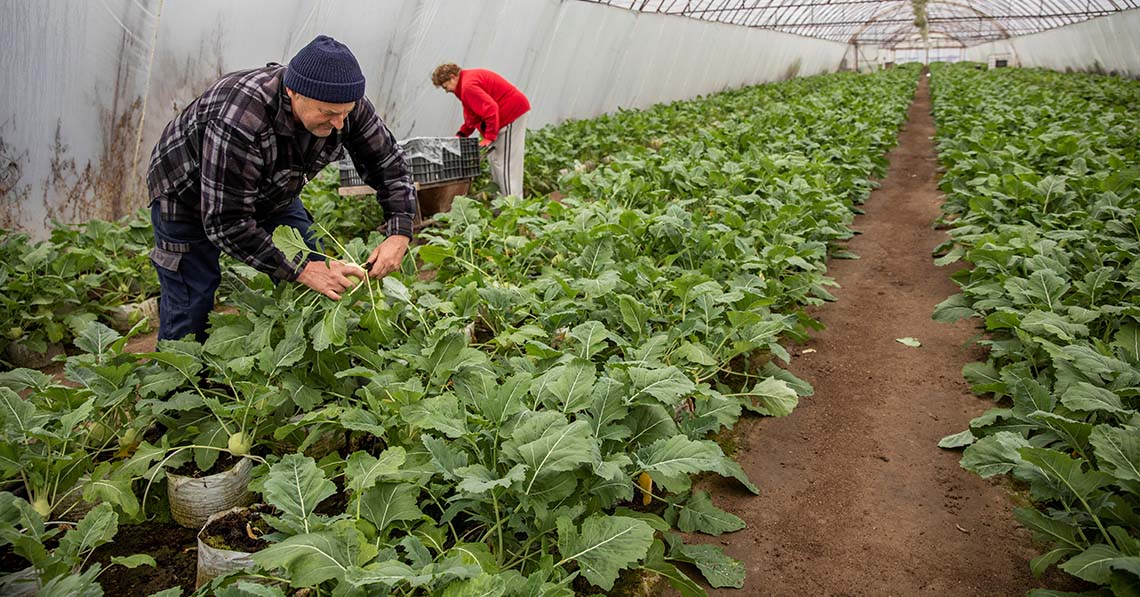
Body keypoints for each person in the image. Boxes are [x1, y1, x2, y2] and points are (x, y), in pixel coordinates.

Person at [147, 35, 416, 341]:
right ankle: (178, 380)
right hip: (187, 196)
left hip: (274, 191)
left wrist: (399, 231)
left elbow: (389, 164)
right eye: (328, 114)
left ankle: (308, 361)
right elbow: (226, 222)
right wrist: (302, 269)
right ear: (293, 92)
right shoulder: (242, 118)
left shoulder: (342, 104)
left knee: (320, 276)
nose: (340, 124)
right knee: (192, 297)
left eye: (346, 113)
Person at [431, 63, 530, 197]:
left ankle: (514, 208)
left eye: (445, 86)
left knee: (506, 164)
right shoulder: (465, 84)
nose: (446, 90)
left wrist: (489, 136)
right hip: (505, 116)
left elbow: (490, 109)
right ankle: (502, 204)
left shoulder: (468, 86)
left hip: (511, 114)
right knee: (496, 161)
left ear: (452, 77)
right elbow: (472, 115)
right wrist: (462, 134)